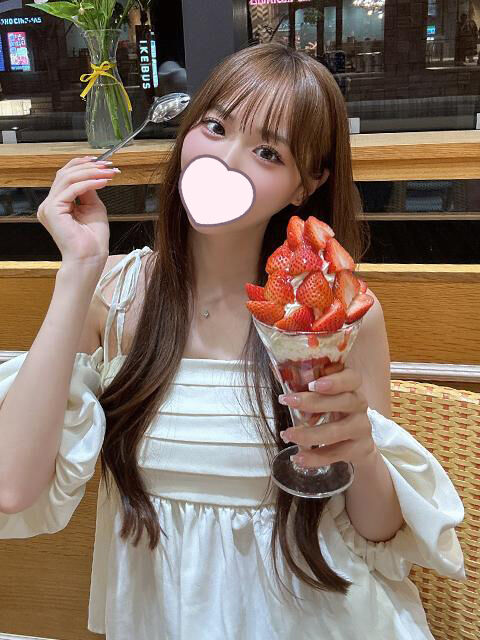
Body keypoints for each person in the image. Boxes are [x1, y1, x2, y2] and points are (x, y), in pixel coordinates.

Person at [0, 42, 465, 639]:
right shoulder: (114, 295)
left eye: (268, 151)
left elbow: (376, 532)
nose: (224, 159)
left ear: (306, 184)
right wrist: (79, 268)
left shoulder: (336, 315)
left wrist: (362, 449)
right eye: (215, 127)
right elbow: (12, 486)